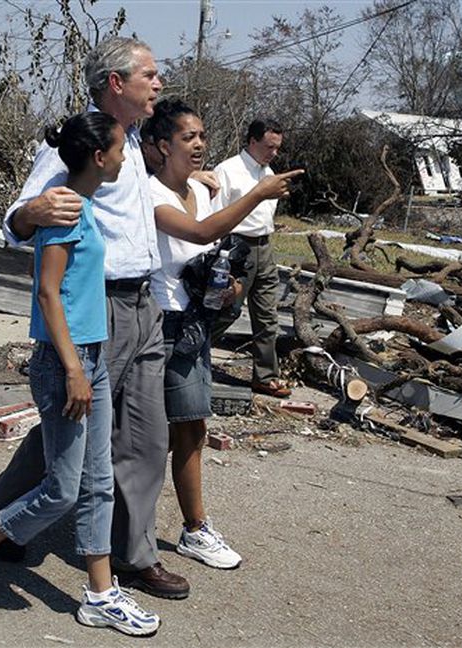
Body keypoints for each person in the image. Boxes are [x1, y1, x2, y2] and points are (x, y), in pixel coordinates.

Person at [0, 37, 189, 601]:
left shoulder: (135, 145)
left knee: (144, 435)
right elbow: (19, 217)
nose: (159, 84)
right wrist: (28, 214)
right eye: (150, 75)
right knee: (74, 428)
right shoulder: (84, 142)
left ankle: (133, 556)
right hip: (96, 308)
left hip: (142, 304)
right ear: (116, 82)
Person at [0, 112, 160, 636]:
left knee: (98, 483)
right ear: (99, 158)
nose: (127, 156)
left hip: (89, 356)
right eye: (120, 150)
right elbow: (47, 294)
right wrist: (73, 371)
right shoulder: (62, 211)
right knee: (63, 490)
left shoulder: (79, 204)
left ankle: (101, 595)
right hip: (65, 363)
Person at [144, 99, 303, 568]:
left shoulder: (203, 188)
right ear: (160, 145)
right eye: (187, 138)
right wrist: (257, 194)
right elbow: (195, 234)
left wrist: (228, 284)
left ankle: (194, 529)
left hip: (194, 324)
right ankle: (126, 526)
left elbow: (212, 250)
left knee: (192, 428)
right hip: (160, 324)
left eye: (201, 136)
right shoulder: (152, 194)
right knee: (146, 438)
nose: (198, 145)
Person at [212, 118, 292, 398]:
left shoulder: (270, 173)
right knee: (227, 309)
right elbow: (215, 213)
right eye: (269, 146)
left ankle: (266, 376)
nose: (273, 153)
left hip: (265, 245)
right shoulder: (228, 170)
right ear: (253, 141)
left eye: (277, 148)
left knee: (267, 314)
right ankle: (190, 354)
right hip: (236, 245)